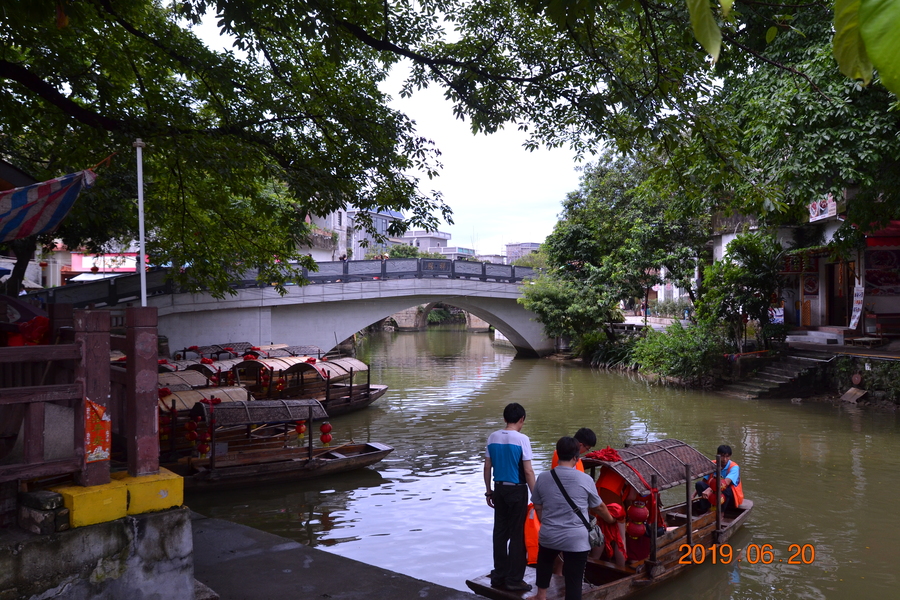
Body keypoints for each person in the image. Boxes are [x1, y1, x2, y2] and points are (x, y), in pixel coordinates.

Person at [527, 437, 616, 600]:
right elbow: (599, 507)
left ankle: (541, 595)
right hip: (576, 539)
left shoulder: (543, 477)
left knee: (545, 562)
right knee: (574, 579)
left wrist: (547, 523)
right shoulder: (585, 479)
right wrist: (611, 520)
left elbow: (538, 507)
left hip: (549, 534)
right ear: (576, 457)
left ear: (558, 454)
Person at [484, 402, 536, 592]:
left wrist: (488, 491)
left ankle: (499, 575)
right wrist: (536, 496)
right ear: (521, 419)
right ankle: (514, 579)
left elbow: (487, 466)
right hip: (517, 490)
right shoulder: (522, 439)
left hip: (499, 489)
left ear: (505, 418)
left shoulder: (492, 437)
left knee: (499, 534)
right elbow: (528, 471)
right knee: (516, 535)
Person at [695, 444, 744, 513]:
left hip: (730, 498)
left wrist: (709, 490)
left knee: (725, 488)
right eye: (722, 456)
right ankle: (705, 509)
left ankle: (721, 513)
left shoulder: (734, 467)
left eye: (727, 457)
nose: (724, 459)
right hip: (715, 494)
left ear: (730, 457)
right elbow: (704, 481)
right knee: (699, 484)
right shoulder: (712, 464)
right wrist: (693, 495)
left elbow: (726, 482)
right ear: (717, 455)